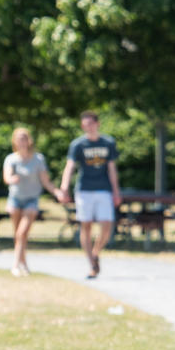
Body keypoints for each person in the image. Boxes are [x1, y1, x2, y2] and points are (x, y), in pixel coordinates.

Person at [59, 111, 122, 279]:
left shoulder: (108, 143)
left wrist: (116, 191)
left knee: (107, 225)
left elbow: (111, 169)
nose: (88, 127)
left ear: (97, 124)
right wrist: (64, 186)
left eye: (91, 123)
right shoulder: (78, 145)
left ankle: (95, 253)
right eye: (85, 124)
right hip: (84, 190)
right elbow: (70, 166)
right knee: (85, 226)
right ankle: (92, 264)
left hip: (103, 189)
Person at [3, 127, 60, 277]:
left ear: (29, 141)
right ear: (15, 141)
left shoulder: (38, 159)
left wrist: (56, 192)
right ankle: (24, 264)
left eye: (24, 138)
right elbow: (7, 177)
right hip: (15, 199)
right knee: (18, 234)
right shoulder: (11, 159)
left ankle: (15, 265)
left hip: (31, 200)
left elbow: (45, 181)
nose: (22, 141)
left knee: (22, 233)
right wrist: (11, 179)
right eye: (19, 138)